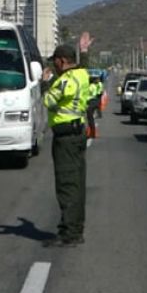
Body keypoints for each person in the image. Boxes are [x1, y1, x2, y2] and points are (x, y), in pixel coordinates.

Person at [43, 44, 89, 248]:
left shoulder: (64, 81)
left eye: (55, 61)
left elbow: (49, 102)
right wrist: (85, 51)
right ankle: (76, 229)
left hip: (66, 139)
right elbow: (83, 68)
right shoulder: (82, 75)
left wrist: (45, 83)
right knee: (77, 184)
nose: (53, 65)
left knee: (67, 185)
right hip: (78, 135)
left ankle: (69, 234)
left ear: (62, 61)